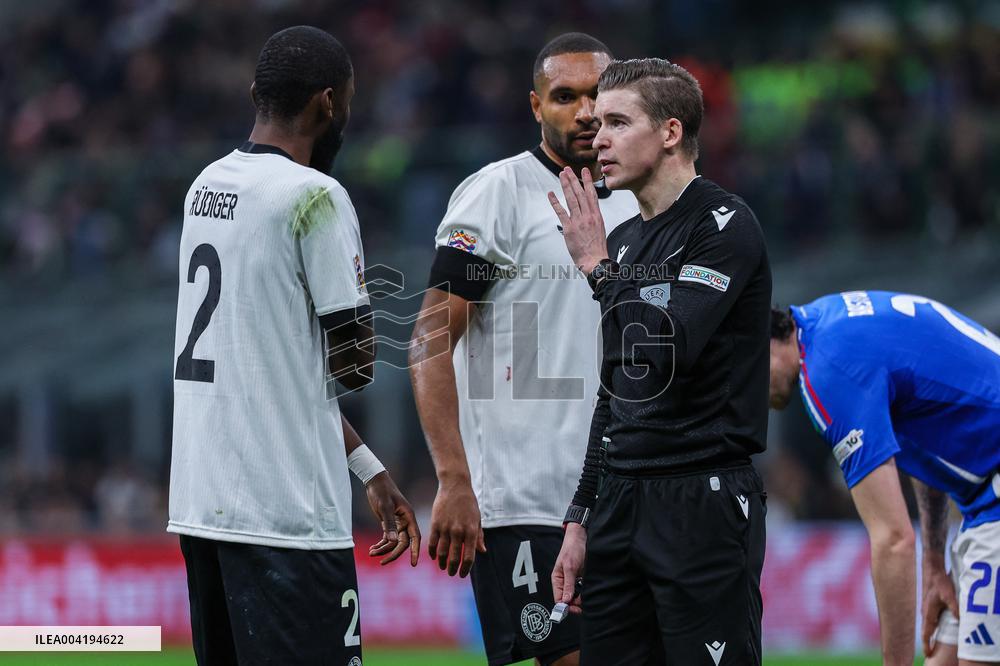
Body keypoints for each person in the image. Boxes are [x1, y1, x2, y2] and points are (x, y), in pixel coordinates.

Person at [168, 26, 420, 666]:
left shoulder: (207, 187)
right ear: (329, 104)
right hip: (287, 522)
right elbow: (355, 366)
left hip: (203, 511)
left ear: (256, 94)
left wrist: (369, 469)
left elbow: (275, 375)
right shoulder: (315, 196)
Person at [408, 33, 638, 666]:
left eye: (599, 95)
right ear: (536, 107)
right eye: (565, 97)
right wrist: (454, 480)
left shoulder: (643, 203)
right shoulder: (501, 195)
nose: (586, 111)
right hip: (527, 500)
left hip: (622, 497)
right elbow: (431, 338)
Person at [548, 58, 772, 666]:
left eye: (618, 123)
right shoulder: (623, 242)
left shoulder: (723, 226)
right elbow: (615, 392)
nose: (598, 140)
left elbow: (666, 345)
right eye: (597, 126)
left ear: (670, 133)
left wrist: (597, 270)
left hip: (700, 494)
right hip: (619, 503)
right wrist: (580, 517)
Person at [769, 291, 1000, 666]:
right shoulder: (828, 322)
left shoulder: (826, 369)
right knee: (945, 659)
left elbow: (893, 541)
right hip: (983, 505)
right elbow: (924, 432)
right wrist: (935, 565)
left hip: (994, 501)